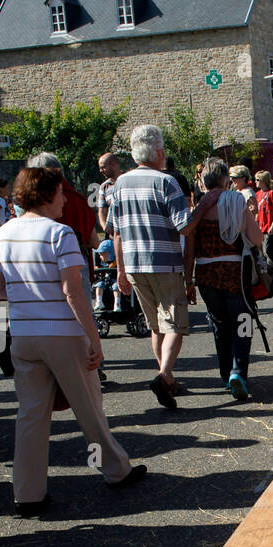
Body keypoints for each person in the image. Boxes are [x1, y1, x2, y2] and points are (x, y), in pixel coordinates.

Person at [0, 165, 146, 516]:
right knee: (88, 408)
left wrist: (26, 294)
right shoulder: (60, 234)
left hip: (23, 335)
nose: (64, 200)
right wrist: (94, 339)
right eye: (60, 194)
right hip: (62, 333)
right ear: (45, 195)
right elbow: (73, 292)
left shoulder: (2, 234)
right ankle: (115, 470)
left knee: (30, 416)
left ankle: (27, 493)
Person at [111, 123, 220, 409]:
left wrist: (120, 270)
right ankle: (165, 374)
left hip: (134, 263)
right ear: (158, 151)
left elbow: (116, 231)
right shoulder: (165, 182)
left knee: (155, 326)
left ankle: (167, 379)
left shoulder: (120, 183)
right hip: (164, 262)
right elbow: (184, 226)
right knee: (175, 323)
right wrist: (204, 204)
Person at [185, 156, 263, 401]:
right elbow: (256, 237)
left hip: (206, 272)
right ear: (223, 178)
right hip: (234, 271)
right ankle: (239, 372)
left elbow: (189, 246)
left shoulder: (198, 208)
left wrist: (188, 280)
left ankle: (225, 372)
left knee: (219, 323)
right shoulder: (236, 201)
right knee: (244, 320)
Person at [96, 153, 122, 231]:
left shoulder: (128, 181)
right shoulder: (104, 187)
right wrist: (106, 228)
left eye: (103, 167)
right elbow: (101, 212)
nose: (101, 171)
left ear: (113, 164)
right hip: (114, 235)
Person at [254, 169, 273, 234]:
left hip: (268, 227)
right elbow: (257, 212)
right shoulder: (257, 194)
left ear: (264, 181)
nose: (255, 181)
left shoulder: (271, 193)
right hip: (260, 227)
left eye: (258, 180)